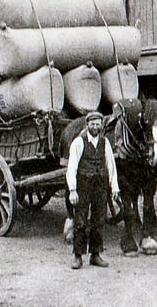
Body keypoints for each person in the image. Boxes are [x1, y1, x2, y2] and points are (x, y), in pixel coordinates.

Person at [66, 112, 120, 270]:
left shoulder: (105, 143)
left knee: (98, 221)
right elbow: (72, 167)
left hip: (100, 186)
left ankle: (95, 255)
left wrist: (114, 187)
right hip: (83, 185)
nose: (95, 127)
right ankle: (77, 256)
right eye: (92, 124)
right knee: (81, 221)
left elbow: (111, 166)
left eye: (98, 124)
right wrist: (73, 190)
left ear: (101, 126)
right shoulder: (78, 142)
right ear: (87, 125)